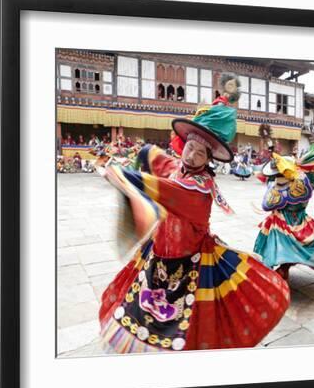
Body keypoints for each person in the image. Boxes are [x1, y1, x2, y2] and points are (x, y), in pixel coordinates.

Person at [98, 76, 290, 353]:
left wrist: (123, 176)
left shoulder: (198, 188)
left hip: (190, 263)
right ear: (182, 143)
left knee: (191, 323)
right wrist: (138, 157)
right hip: (158, 256)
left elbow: (168, 190)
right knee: (140, 314)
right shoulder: (179, 167)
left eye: (201, 153)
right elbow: (154, 156)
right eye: (190, 147)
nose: (192, 156)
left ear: (209, 159)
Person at [254, 142, 314, 281]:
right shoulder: (305, 181)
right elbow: (312, 176)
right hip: (298, 220)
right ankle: (283, 270)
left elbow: (267, 204)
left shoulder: (277, 185)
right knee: (292, 247)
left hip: (281, 222)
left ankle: (282, 271)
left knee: (281, 247)